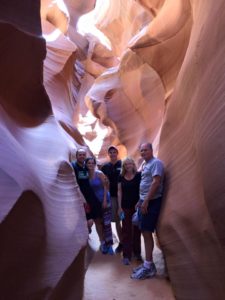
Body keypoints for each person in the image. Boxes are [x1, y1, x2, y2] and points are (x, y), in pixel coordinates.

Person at [131, 143, 164, 280]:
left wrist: (146, 201)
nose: (143, 152)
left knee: (147, 232)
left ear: (151, 150)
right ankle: (147, 264)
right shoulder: (146, 164)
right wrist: (140, 200)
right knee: (144, 232)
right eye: (141, 150)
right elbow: (145, 183)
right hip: (145, 202)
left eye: (145, 150)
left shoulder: (156, 163)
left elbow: (156, 182)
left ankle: (149, 267)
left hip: (151, 203)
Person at [85, 156, 114, 255]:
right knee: (98, 223)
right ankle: (102, 243)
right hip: (94, 203)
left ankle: (109, 244)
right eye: (89, 163)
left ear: (94, 164)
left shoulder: (100, 174)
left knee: (106, 223)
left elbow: (106, 186)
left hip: (104, 200)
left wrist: (105, 200)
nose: (91, 165)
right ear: (86, 164)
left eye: (92, 163)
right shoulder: (85, 175)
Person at [118, 157, 142, 265]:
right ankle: (126, 255)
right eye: (126, 164)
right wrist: (119, 207)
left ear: (133, 164)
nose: (128, 166)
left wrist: (140, 202)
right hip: (125, 207)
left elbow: (142, 190)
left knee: (137, 229)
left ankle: (137, 253)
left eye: (130, 164)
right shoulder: (121, 177)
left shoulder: (138, 176)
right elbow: (119, 192)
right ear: (124, 166)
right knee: (126, 230)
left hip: (137, 207)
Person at [71, 148, 101, 233]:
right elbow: (75, 184)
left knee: (96, 219)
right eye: (80, 155)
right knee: (86, 221)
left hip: (90, 197)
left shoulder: (86, 166)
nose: (82, 156)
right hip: (80, 198)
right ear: (76, 156)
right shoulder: (73, 166)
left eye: (83, 155)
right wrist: (82, 198)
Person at [101, 146, 123, 253]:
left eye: (114, 152)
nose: (113, 154)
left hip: (125, 196)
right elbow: (104, 183)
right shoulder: (105, 167)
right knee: (117, 220)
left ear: (117, 153)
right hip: (113, 197)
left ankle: (128, 243)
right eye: (111, 152)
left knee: (127, 221)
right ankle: (122, 243)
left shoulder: (122, 164)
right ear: (108, 154)